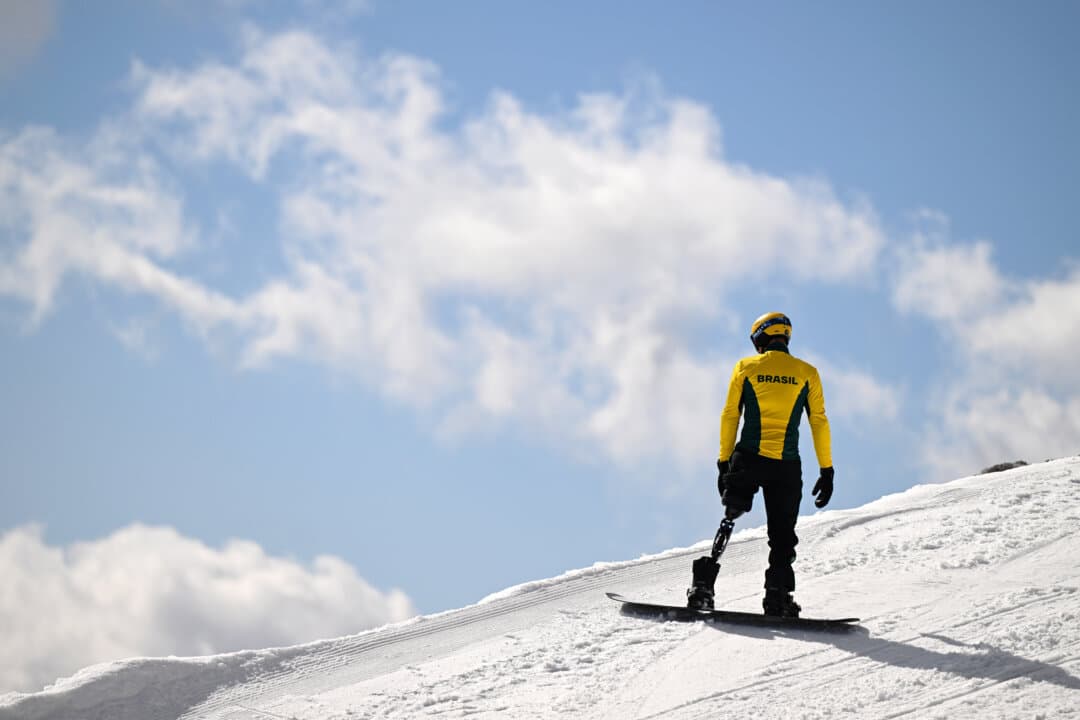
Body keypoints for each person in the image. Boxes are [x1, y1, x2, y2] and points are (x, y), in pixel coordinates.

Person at [686, 312, 834, 617]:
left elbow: (730, 415)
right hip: (787, 466)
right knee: (782, 537)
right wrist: (827, 469)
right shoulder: (808, 373)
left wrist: (723, 461)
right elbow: (818, 421)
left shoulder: (745, 367)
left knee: (731, 516)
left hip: (748, 458)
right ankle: (777, 597)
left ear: (760, 339)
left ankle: (702, 588)